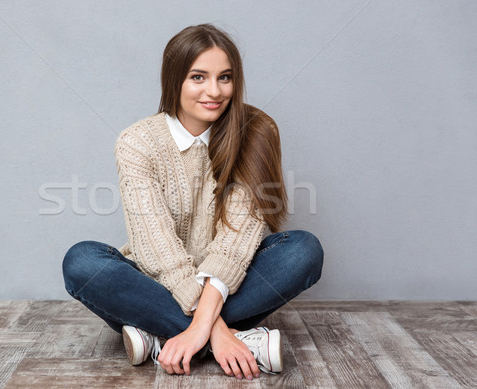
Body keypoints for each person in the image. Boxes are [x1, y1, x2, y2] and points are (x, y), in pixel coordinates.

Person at [62, 23, 324, 380]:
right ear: (174, 81)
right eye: (198, 77)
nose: (214, 91)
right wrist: (214, 331)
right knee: (81, 262)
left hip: (232, 280)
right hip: (157, 281)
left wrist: (200, 322)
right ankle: (234, 341)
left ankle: (157, 335)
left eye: (225, 77)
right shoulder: (137, 142)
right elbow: (155, 249)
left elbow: (237, 240)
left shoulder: (258, 130)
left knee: (303, 250)